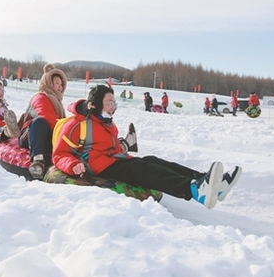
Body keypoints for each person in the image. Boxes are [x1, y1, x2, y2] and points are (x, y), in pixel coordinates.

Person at [52, 85, 242, 209]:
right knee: (140, 169)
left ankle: (207, 183)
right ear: (95, 105)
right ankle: (193, 190)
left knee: (152, 160)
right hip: (98, 166)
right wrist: (72, 165)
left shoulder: (107, 122)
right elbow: (59, 154)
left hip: (115, 160)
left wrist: (124, 148)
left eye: (114, 102)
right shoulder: (77, 124)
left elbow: (112, 147)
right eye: (109, 103)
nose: (113, 107)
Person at [18, 64, 68, 180]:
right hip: (30, 134)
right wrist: (65, 134)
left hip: (46, 135)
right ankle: (38, 161)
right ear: (48, 82)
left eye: (61, 84)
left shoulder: (57, 101)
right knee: (40, 121)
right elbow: (48, 117)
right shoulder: (40, 97)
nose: (60, 87)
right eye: (56, 83)